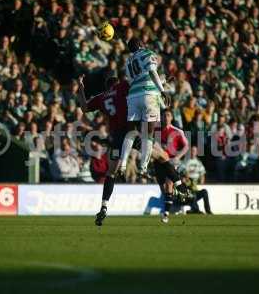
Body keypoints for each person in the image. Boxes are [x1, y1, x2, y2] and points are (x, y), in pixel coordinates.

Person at [77, 75, 190, 226]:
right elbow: (145, 81)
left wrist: (81, 88)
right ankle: (179, 184)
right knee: (162, 156)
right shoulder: (122, 87)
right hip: (132, 133)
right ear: (116, 83)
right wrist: (165, 80)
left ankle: (104, 206)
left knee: (111, 173)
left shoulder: (101, 98)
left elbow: (84, 108)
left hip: (116, 138)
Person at [119, 37, 169, 177]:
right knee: (149, 132)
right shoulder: (148, 53)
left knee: (131, 131)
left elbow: (136, 79)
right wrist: (162, 90)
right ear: (141, 44)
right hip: (149, 95)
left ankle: (122, 163)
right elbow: (152, 72)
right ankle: (143, 167)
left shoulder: (128, 61)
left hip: (134, 96)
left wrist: (162, 80)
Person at [178, 146, 213, 215]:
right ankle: (196, 210)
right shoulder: (185, 162)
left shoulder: (199, 163)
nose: (193, 152)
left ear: (197, 152)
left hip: (194, 187)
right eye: (192, 151)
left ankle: (208, 211)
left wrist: (202, 180)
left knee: (204, 192)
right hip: (186, 189)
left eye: (194, 151)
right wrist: (184, 178)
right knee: (192, 193)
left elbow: (202, 173)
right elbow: (180, 173)